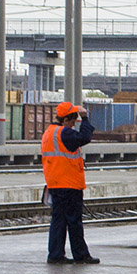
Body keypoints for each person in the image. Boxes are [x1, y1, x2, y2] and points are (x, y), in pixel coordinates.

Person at [43, 101, 99, 265]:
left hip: (55, 182)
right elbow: (85, 137)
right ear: (66, 119)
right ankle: (80, 255)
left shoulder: (49, 132)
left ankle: (55, 254)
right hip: (69, 184)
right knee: (74, 221)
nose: (75, 123)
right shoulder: (64, 133)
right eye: (74, 119)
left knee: (58, 220)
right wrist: (85, 118)